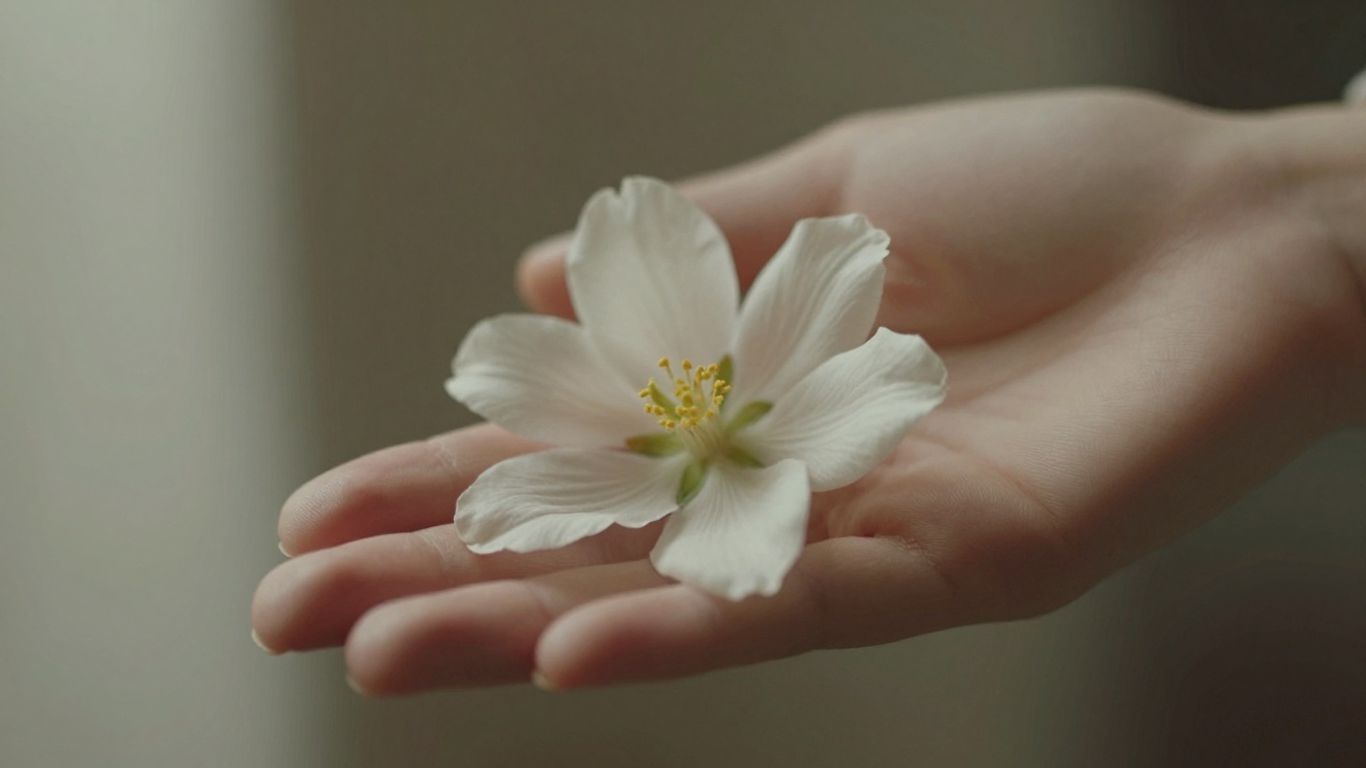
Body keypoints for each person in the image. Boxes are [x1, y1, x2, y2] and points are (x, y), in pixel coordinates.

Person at [251, 86, 1366, 695]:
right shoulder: (635, 419)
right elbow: (517, 374)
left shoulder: (788, 353)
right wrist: (1313, 210)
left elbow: (839, 320)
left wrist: (1314, 216)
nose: (686, 407)